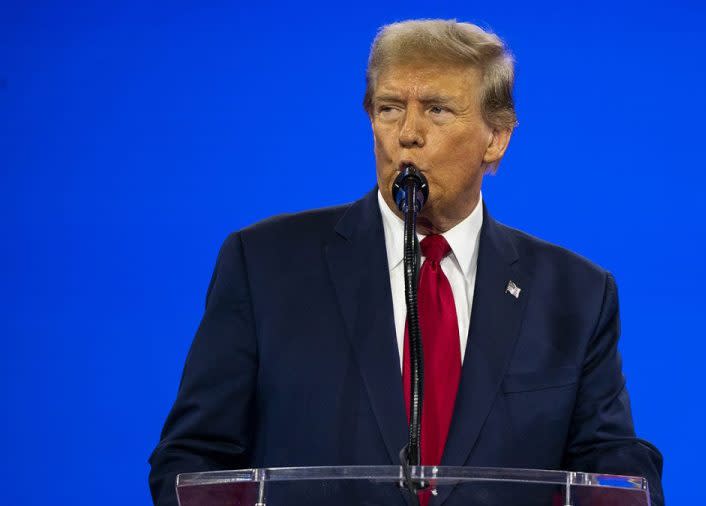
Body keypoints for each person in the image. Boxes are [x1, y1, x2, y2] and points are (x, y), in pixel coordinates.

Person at [149, 19, 664, 506]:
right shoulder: (266, 266)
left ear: (496, 138)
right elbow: (192, 460)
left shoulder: (575, 294)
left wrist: (625, 481)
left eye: (437, 109)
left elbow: (607, 463)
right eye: (390, 107)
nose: (407, 134)